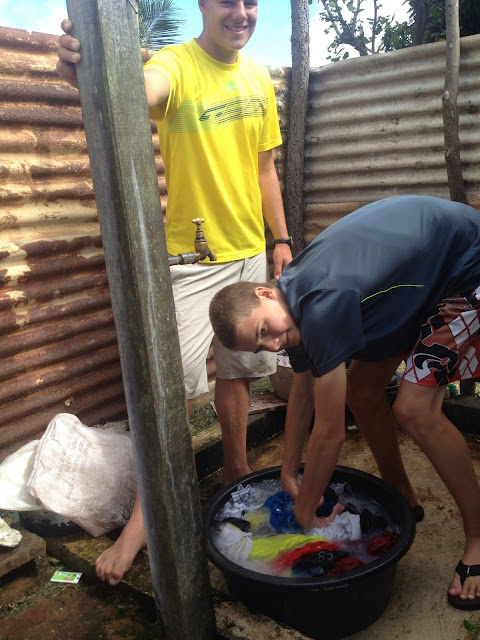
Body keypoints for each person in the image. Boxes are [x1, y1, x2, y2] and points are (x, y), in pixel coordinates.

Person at [56, 0, 292, 585]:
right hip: (193, 258)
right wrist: (88, 70)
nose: (242, 13)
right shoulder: (175, 65)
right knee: (176, 392)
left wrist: (281, 239)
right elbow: (134, 93)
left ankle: (235, 468)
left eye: (251, 2)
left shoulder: (259, 77)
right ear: (203, 5)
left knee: (238, 372)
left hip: (249, 251)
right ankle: (144, 523)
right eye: (228, 1)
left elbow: (265, 168)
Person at [209, 194, 480, 609]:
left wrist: (305, 513)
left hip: (466, 265)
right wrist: (288, 471)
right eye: (262, 345)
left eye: (265, 331)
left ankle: (478, 538)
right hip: (421, 276)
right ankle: (400, 492)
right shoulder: (292, 300)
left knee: (414, 409)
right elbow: (303, 392)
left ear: (265, 293)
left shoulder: (321, 303)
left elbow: (331, 432)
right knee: (361, 390)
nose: (274, 344)